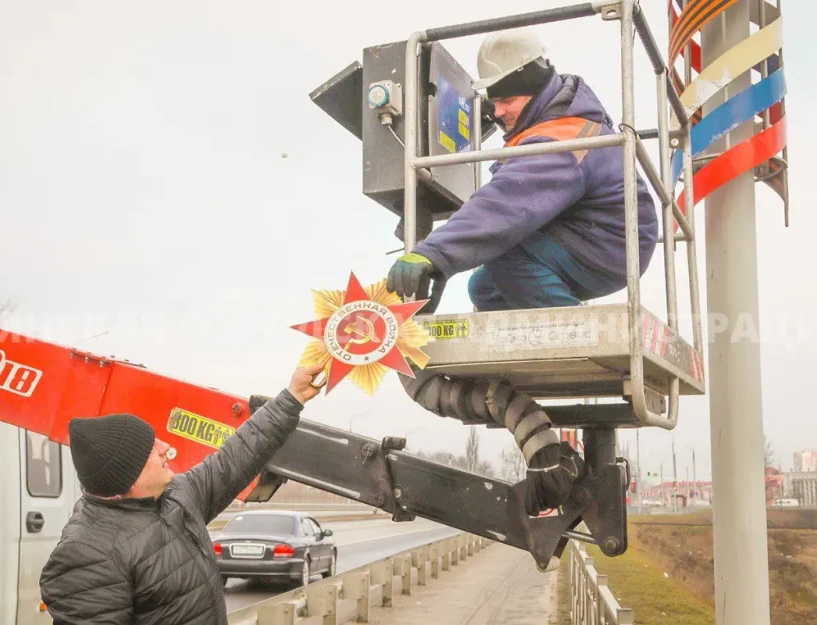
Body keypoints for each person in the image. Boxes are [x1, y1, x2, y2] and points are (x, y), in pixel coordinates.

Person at [387, 28, 658, 311]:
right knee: (485, 287)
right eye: (495, 102)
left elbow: (505, 205)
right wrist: (443, 260)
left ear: (535, 91)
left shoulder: (562, 138)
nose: (499, 111)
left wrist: (433, 253)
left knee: (506, 254)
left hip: (609, 246)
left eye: (507, 100)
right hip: (590, 238)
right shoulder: (554, 123)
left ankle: (576, 336)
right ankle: (534, 349)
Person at [38, 363, 326, 625]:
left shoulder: (176, 496)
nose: (165, 447)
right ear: (128, 474)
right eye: (151, 446)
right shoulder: (87, 554)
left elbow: (235, 457)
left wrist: (292, 397)